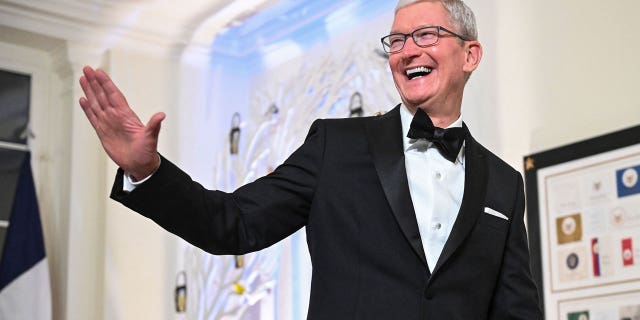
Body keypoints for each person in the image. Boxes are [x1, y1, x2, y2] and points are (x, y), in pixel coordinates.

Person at [79, 0, 542, 319]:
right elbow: (234, 223)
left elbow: (515, 309)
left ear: (470, 54)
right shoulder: (335, 147)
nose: (408, 50)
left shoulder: (504, 182)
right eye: (396, 41)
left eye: (426, 34)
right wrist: (147, 172)